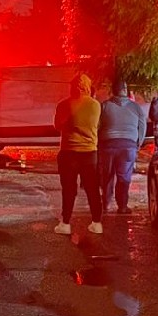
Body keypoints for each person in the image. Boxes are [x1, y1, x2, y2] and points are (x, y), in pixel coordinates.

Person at [53, 72, 103, 235]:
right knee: (92, 189)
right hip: (90, 153)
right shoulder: (96, 105)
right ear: (88, 87)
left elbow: (57, 126)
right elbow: (98, 125)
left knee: (68, 189)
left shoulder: (64, 105)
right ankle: (97, 223)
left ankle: (66, 223)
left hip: (69, 153)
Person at [98, 79, 147, 215]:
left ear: (113, 91)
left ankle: (105, 204)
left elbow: (98, 126)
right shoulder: (136, 107)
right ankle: (122, 206)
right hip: (128, 146)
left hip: (108, 145)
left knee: (107, 176)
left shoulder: (105, 106)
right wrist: (138, 143)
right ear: (125, 90)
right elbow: (142, 126)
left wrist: (99, 143)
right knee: (124, 177)